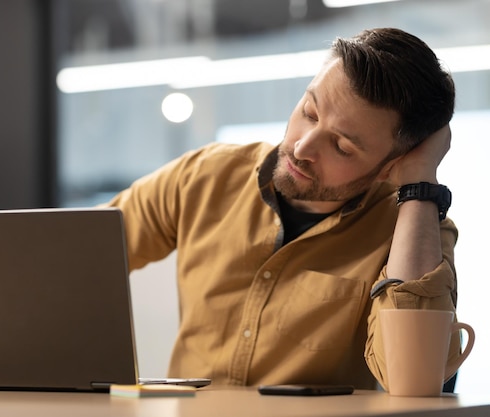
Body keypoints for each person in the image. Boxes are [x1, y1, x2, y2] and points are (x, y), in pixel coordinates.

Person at [104, 27, 459, 390]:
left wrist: (419, 183)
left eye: (341, 147)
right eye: (309, 112)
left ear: (389, 166)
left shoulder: (413, 233)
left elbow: (414, 380)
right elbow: (74, 256)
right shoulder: (203, 178)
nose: (304, 147)